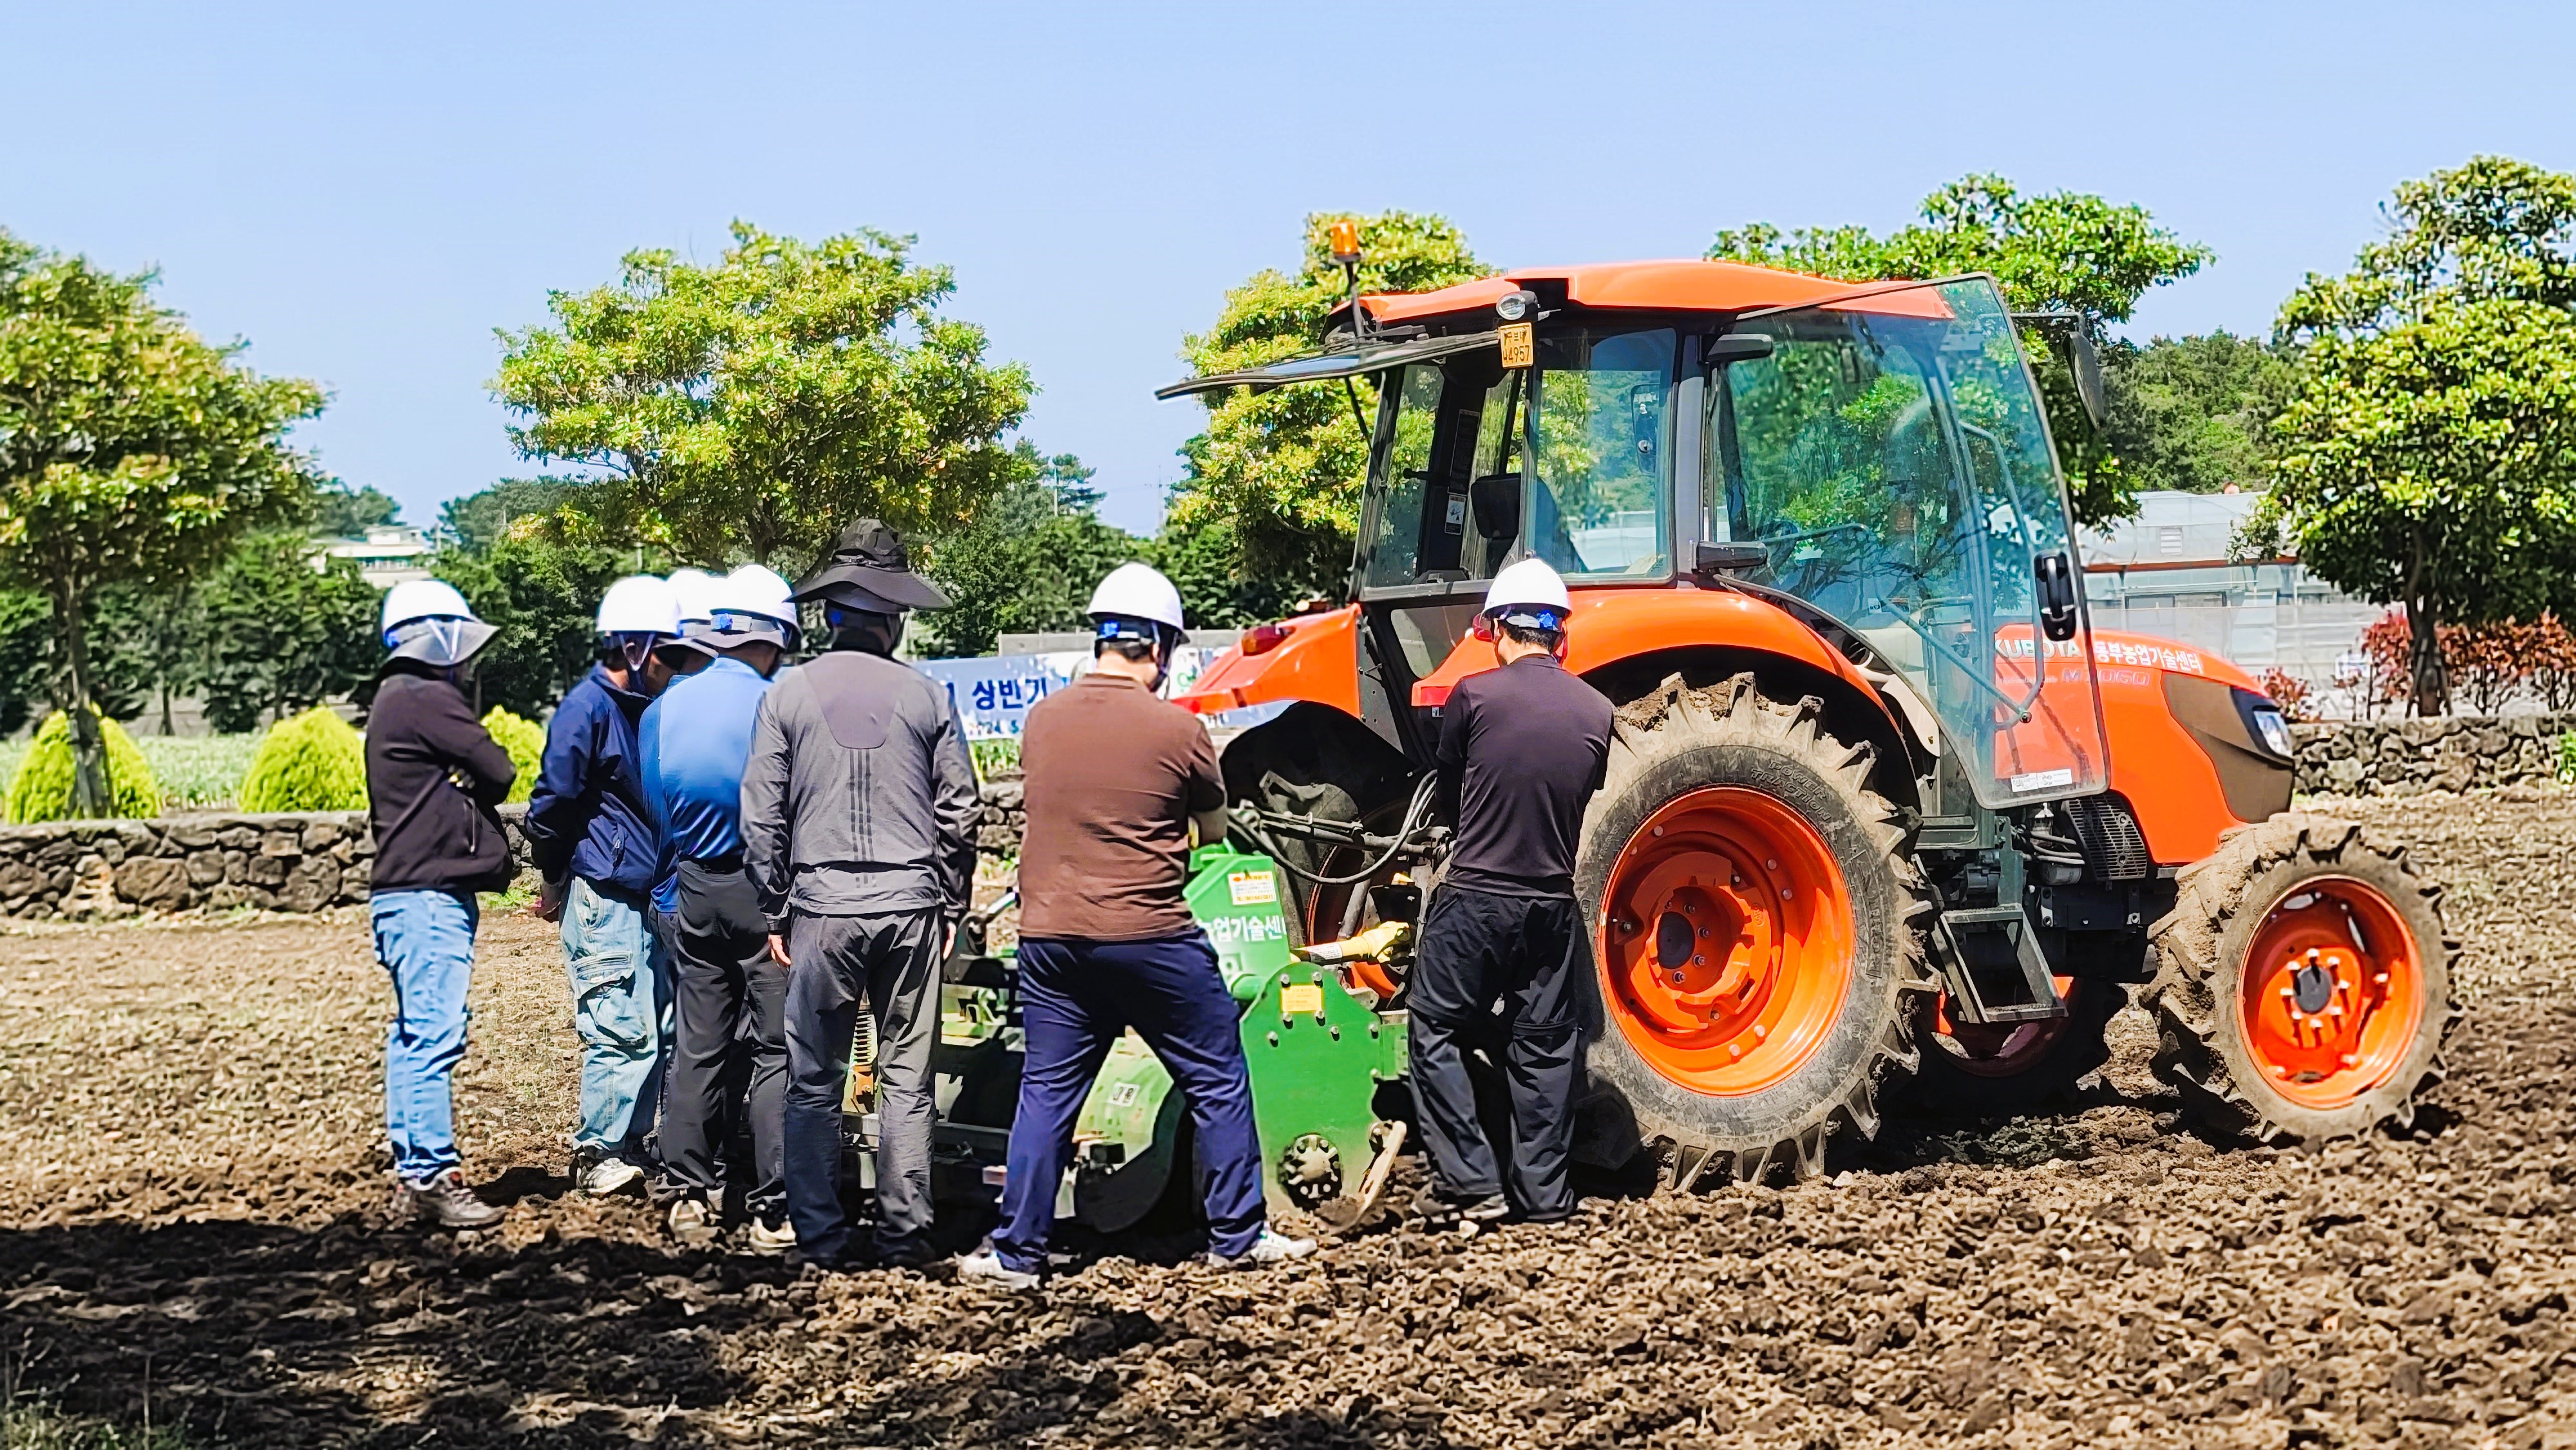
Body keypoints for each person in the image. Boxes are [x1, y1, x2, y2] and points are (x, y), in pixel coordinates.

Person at [959, 563, 1314, 1289]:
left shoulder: (1043, 719)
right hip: (1150, 935)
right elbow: (1212, 829)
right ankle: (1238, 1234)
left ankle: (1017, 1252)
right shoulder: (1176, 727)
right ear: (1157, 646)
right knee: (1217, 1074)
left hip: (1051, 936)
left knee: (1047, 1090)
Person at [741, 522, 980, 1270]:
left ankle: (820, 1234)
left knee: (814, 1078)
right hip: (910, 906)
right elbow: (961, 808)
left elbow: (760, 815)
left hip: (819, 908)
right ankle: (906, 1231)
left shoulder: (785, 695)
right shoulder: (927, 694)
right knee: (906, 1079)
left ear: (828, 614)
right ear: (895, 614)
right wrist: (950, 900)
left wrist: (775, 904)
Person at [1408, 558, 1612, 1226]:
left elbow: (1449, 783)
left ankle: (1471, 1180)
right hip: (1552, 905)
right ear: (1561, 637)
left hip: (1476, 897)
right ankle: (1544, 1199)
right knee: (1547, 1046)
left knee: (1434, 1024)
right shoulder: (1598, 709)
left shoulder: (1473, 695)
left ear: (1497, 629)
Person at [642, 565, 799, 1254]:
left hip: (693, 885)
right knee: (776, 1047)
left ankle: (688, 1193)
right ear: (777, 637)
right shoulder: (779, 704)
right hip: (765, 896)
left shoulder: (662, 708)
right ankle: (772, 1206)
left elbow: (655, 808)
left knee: (698, 1043)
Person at [366, 579, 518, 1228]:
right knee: (434, 1035)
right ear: (438, 637)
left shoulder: (389, 699)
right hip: (431, 896)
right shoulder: (427, 696)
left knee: (410, 1039)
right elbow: (500, 767)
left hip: (401, 896)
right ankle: (433, 1173)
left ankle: (413, 1173)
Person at [524, 574, 681, 1196]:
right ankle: (596, 1151)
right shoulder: (586, 709)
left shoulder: (646, 709)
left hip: (648, 893)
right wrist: (555, 875)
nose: (676, 665)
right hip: (603, 891)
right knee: (619, 1023)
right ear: (635, 647)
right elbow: (552, 803)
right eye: (667, 653)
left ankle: (634, 1140)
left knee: (661, 1026)